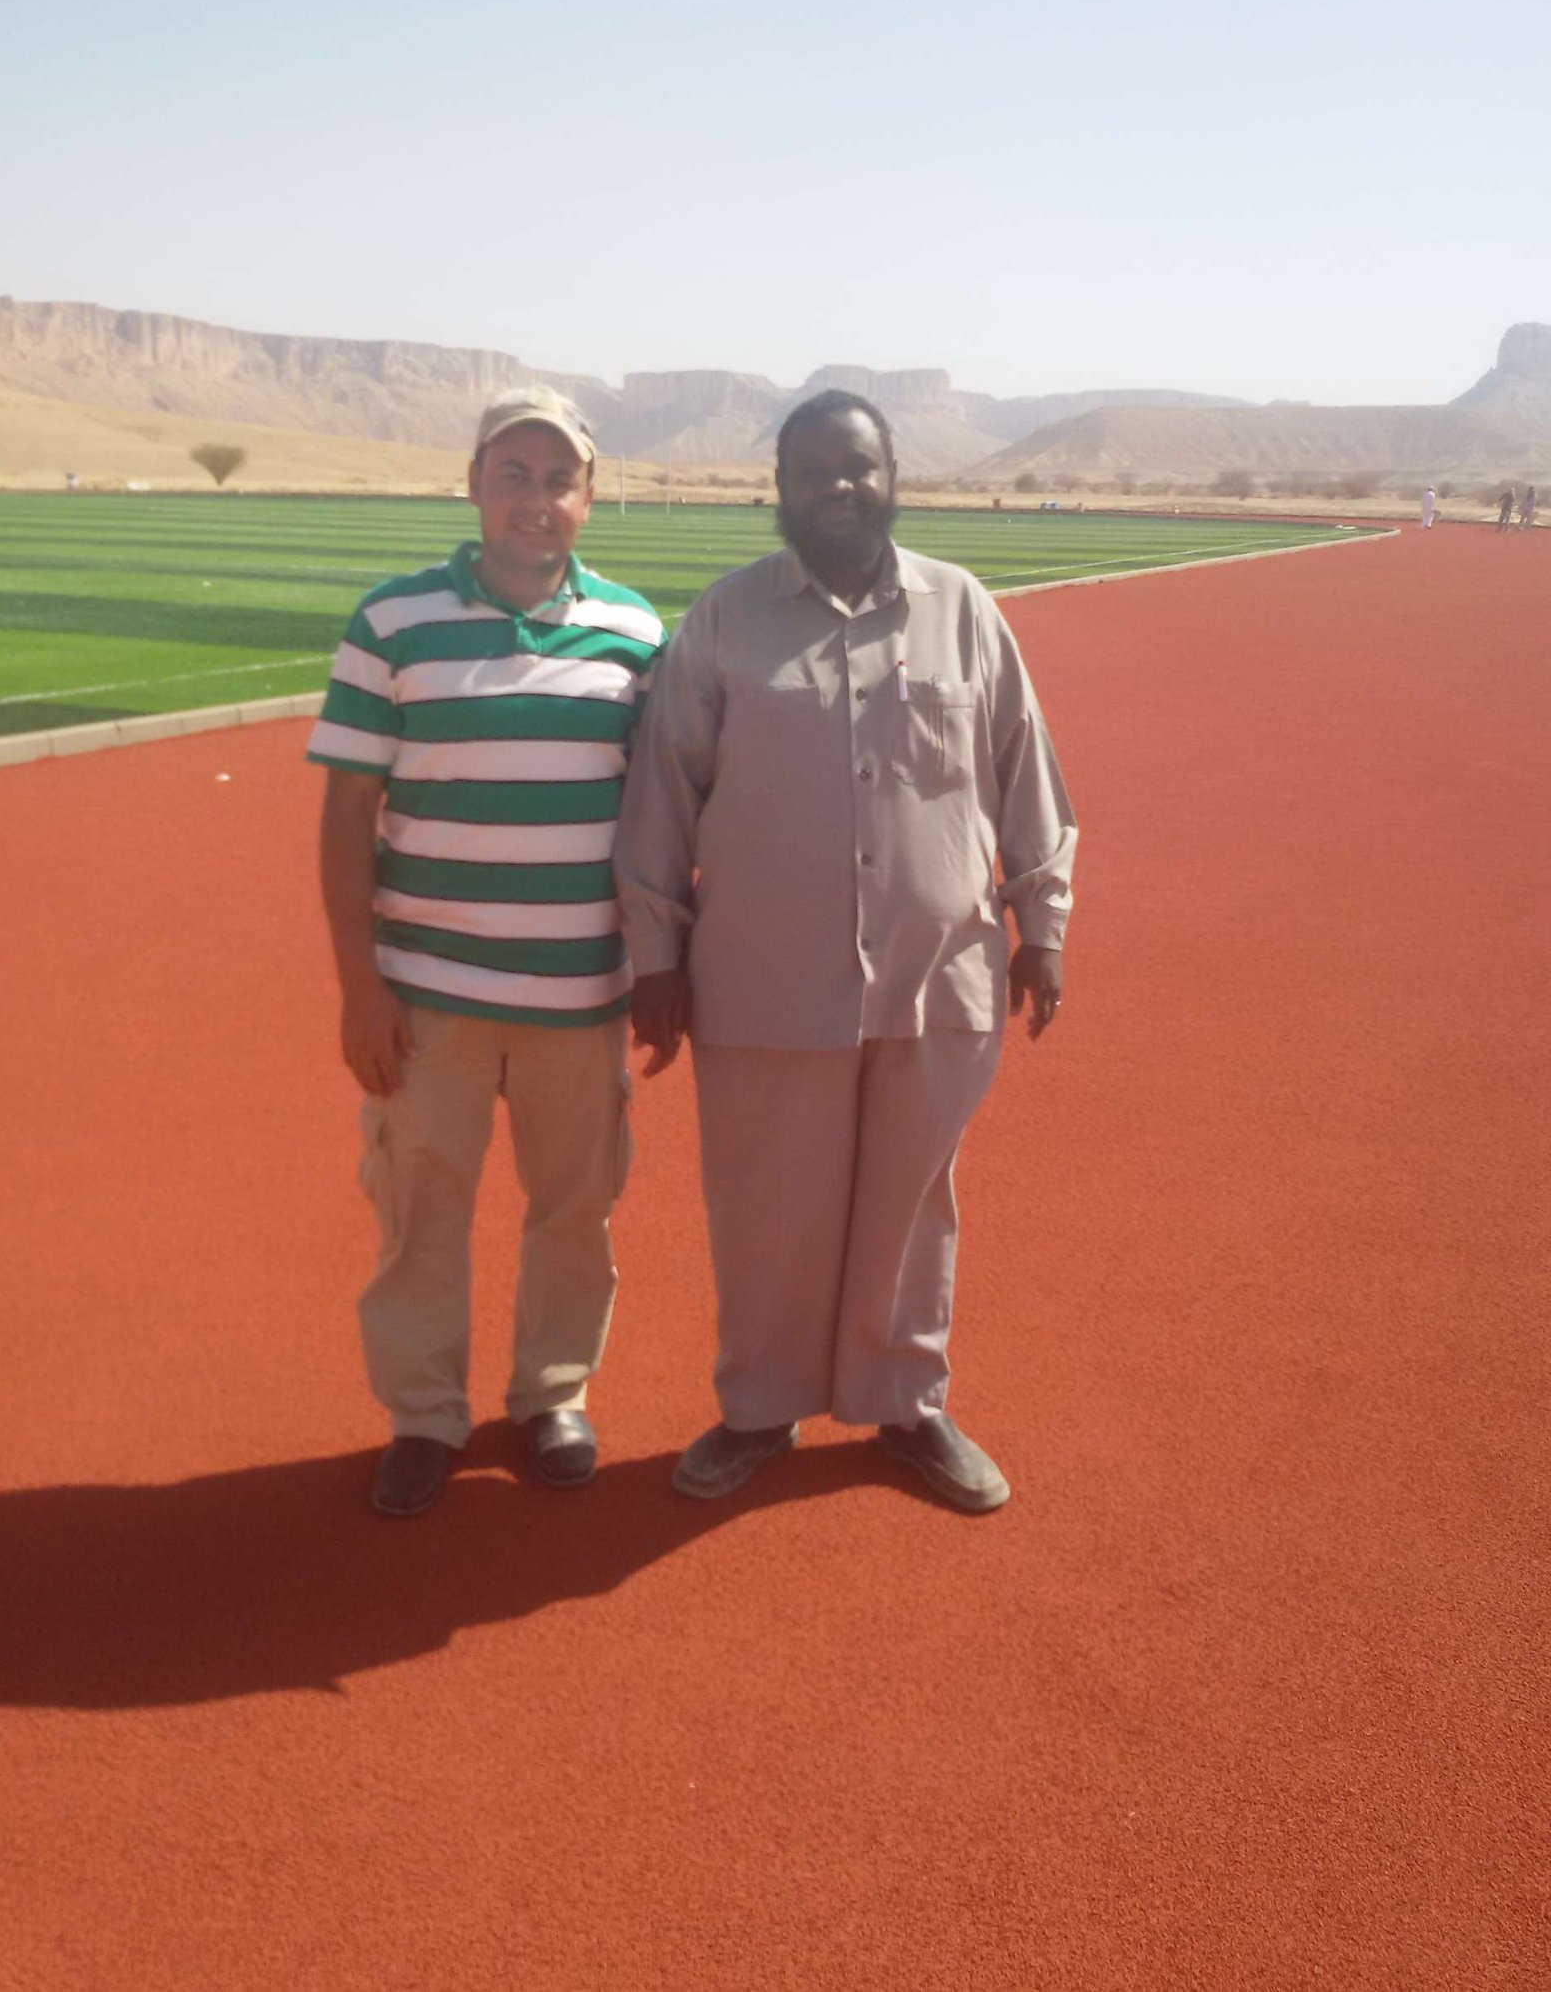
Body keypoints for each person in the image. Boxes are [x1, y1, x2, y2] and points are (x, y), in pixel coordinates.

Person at [613, 391, 1076, 1515]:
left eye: (858, 465)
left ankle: (905, 1402)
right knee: (767, 1203)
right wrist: (655, 956)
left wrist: (1044, 923)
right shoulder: (725, 619)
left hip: (937, 969)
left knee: (913, 1202)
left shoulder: (962, 609)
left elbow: (1023, 767)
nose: (839, 485)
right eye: (813, 468)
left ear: (891, 476)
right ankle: (759, 1407)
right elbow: (662, 789)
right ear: (778, 487)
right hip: (765, 976)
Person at [309, 389, 665, 1515]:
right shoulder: (394, 620)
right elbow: (346, 812)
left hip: (580, 995)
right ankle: (424, 1414)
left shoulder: (636, 634)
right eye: (513, 474)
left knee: (575, 1211)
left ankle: (552, 1393)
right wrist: (359, 987)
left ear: (589, 498)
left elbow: (665, 816)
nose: (535, 499)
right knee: (421, 1212)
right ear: (472, 485)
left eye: (559, 480)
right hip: (430, 996)